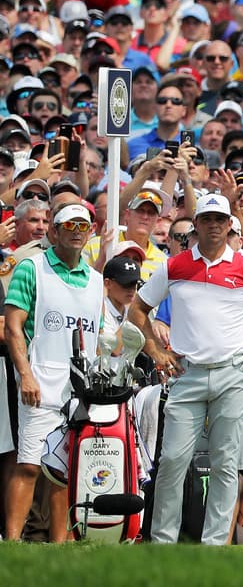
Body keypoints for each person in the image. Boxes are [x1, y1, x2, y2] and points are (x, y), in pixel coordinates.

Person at [130, 194, 243, 546]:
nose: (213, 225)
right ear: (196, 224)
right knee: (172, 459)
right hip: (187, 374)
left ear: (229, 225)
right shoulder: (175, 266)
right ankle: (162, 542)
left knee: (226, 462)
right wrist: (156, 352)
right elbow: (137, 309)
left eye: (219, 219)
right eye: (207, 219)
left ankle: (213, 548)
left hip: (233, 373)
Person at [3, 203, 101, 543]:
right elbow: (13, 327)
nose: (76, 231)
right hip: (40, 380)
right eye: (69, 225)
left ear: (90, 233)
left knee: (65, 471)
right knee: (29, 465)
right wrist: (25, 375)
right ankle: (12, 542)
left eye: (83, 226)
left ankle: (60, 545)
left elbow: (98, 337)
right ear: (54, 231)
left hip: (80, 388)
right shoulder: (31, 268)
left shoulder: (96, 280)